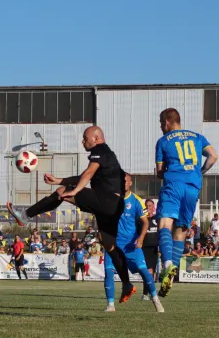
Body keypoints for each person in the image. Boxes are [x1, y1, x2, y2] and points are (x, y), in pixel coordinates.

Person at [7, 126, 135, 301]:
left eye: (85, 138)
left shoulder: (100, 150)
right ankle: (127, 284)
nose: (83, 141)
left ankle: (26, 215)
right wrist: (59, 180)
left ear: (96, 138)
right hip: (114, 205)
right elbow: (84, 175)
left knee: (63, 192)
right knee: (109, 245)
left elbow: (88, 174)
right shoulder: (105, 154)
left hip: (107, 201)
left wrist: (74, 191)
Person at [155, 108, 218, 297]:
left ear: (167, 122)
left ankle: (167, 265)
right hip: (192, 187)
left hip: (174, 184)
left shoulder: (163, 141)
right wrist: (200, 171)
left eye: (160, 123)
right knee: (181, 230)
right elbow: (213, 156)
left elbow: (159, 172)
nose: (160, 126)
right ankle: (172, 273)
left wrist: (165, 171)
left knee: (164, 225)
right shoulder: (198, 136)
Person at [103, 174, 164, 313]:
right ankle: (110, 305)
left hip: (131, 244)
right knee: (108, 272)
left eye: (125, 181)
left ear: (130, 183)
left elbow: (145, 222)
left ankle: (155, 299)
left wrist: (141, 238)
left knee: (144, 270)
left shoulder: (136, 201)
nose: (123, 183)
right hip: (113, 244)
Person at [141, 198, 159, 300]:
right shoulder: (142, 220)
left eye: (150, 206)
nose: (149, 208)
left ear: (154, 207)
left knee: (153, 271)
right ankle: (146, 293)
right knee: (148, 271)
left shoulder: (157, 219)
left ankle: (149, 293)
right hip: (145, 248)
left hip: (154, 248)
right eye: (147, 206)